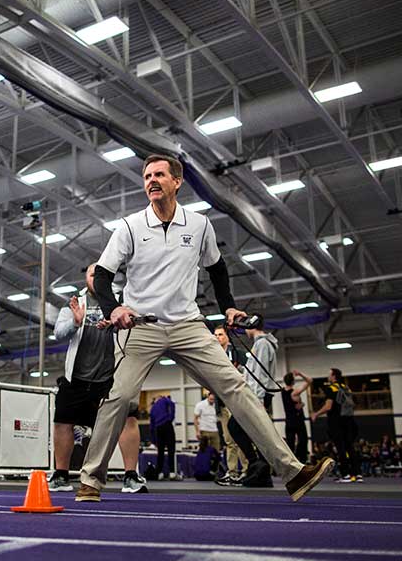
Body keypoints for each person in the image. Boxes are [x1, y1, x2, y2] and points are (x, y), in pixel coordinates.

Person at [75, 154, 333, 503]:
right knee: (119, 397)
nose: (152, 180)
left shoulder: (198, 225)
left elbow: (217, 268)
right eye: (147, 175)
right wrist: (114, 308)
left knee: (236, 388)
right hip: (141, 326)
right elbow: (104, 275)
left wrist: (227, 305)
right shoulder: (130, 226)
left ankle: (292, 471)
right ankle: (91, 480)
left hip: (187, 324)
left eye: (160, 175)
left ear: (176, 182)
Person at [49, 264, 147, 494]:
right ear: (86, 278)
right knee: (63, 422)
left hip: (110, 376)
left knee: (128, 419)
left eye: (100, 274)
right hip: (77, 377)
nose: (96, 278)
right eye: (92, 274)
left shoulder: (119, 303)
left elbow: (137, 327)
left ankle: (131, 476)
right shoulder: (74, 303)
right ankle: (61, 475)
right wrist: (75, 322)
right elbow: (58, 333)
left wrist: (116, 325)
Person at [212, 325, 248, 485]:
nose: (217, 337)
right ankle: (232, 471)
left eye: (220, 334)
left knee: (242, 437)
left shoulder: (238, 353)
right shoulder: (211, 355)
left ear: (227, 336)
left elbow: (246, 375)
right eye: (215, 335)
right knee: (229, 440)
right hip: (222, 402)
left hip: (238, 400)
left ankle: (247, 470)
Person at [311, 367, 360, 483]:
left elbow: (328, 406)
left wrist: (316, 414)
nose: (328, 376)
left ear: (334, 376)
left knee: (340, 447)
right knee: (350, 447)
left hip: (336, 422)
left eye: (329, 374)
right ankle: (357, 474)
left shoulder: (331, 389)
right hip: (349, 420)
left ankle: (345, 474)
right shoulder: (346, 387)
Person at [244, 325, 278, 416]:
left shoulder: (262, 344)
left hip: (260, 395)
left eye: (245, 327)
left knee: (234, 426)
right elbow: (253, 371)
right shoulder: (258, 344)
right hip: (258, 394)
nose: (245, 330)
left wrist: (259, 398)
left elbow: (261, 372)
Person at [282, 370, 311, 463]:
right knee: (303, 440)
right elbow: (310, 381)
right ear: (293, 381)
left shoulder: (283, 391)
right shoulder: (294, 392)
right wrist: (301, 374)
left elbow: (292, 404)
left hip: (289, 421)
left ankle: (290, 462)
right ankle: (302, 461)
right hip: (297, 421)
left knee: (290, 443)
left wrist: (301, 404)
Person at [149, 395, 177, 480]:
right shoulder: (165, 399)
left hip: (158, 429)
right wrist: (170, 418)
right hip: (166, 425)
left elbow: (151, 426)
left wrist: (153, 440)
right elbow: (172, 404)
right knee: (171, 449)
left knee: (160, 452)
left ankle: (160, 473)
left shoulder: (153, 408)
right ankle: (172, 472)